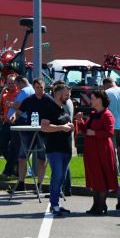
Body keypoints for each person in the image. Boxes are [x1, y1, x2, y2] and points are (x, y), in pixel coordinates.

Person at [10, 78, 57, 195]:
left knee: (42, 159)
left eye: (41, 87)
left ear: (44, 87)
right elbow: (19, 111)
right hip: (29, 131)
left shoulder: (49, 100)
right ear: (34, 88)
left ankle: (40, 185)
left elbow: (55, 115)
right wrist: (14, 116)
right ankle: (21, 184)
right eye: (36, 88)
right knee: (22, 157)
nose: (39, 90)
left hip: (44, 132)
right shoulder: (29, 100)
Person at [39, 82, 77, 215]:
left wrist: (72, 125)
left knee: (61, 178)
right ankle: (54, 205)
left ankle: (56, 204)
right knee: (57, 176)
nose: (69, 97)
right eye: (67, 94)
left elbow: (65, 123)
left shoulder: (64, 107)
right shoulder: (49, 107)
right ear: (58, 93)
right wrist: (61, 127)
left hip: (66, 148)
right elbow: (44, 127)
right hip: (54, 148)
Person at [80, 88, 118, 215]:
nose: (91, 100)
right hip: (91, 149)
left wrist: (95, 133)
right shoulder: (92, 113)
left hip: (102, 149)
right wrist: (79, 121)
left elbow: (110, 132)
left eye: (93, 98)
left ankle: (101, 205)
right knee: (94, 176)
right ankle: (96, 204)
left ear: (99, 100)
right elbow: (86, 129)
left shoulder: (107, 115)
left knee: (102, 176)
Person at [0, 72, 27, 180]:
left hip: (16, 123)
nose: (11, 85)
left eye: (13, 83)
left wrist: (11, 105)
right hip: (6, 123)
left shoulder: (20, 93)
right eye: (8, 83)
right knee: (3, 146)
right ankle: (14, 165)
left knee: (15, 148)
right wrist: (1, 93)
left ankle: (10, 170)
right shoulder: (5, 95)